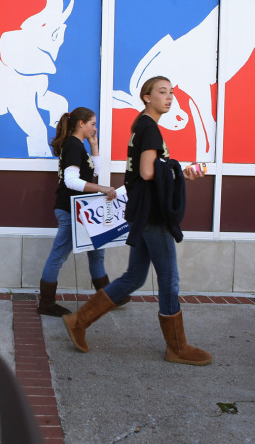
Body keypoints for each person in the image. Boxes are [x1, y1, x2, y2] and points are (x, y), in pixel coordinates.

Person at [62, 76, 212, 366]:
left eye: (171, 93)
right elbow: (146, 172)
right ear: (146, 97)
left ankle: (79, 321)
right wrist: (179, 173)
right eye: (161, 92)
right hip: (153, 216)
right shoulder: (150, 128)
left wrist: (180, 172)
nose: (169, 98)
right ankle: (176, 347)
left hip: (143, 213)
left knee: (135, 276)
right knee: (169, 279)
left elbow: (151, 170)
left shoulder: (140, 126)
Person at [38, 107, 127, 317]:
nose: (95, 128)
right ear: (81, 124)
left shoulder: (78, 145)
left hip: (82, 209)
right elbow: (71, 181)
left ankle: (107, 297)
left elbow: (92, 172)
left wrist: (93, 145)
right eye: (93, 124)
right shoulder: (72, 145)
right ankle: (46, 303)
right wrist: (103, 189)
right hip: (71, 210)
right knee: (58, 256)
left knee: (97, 253)